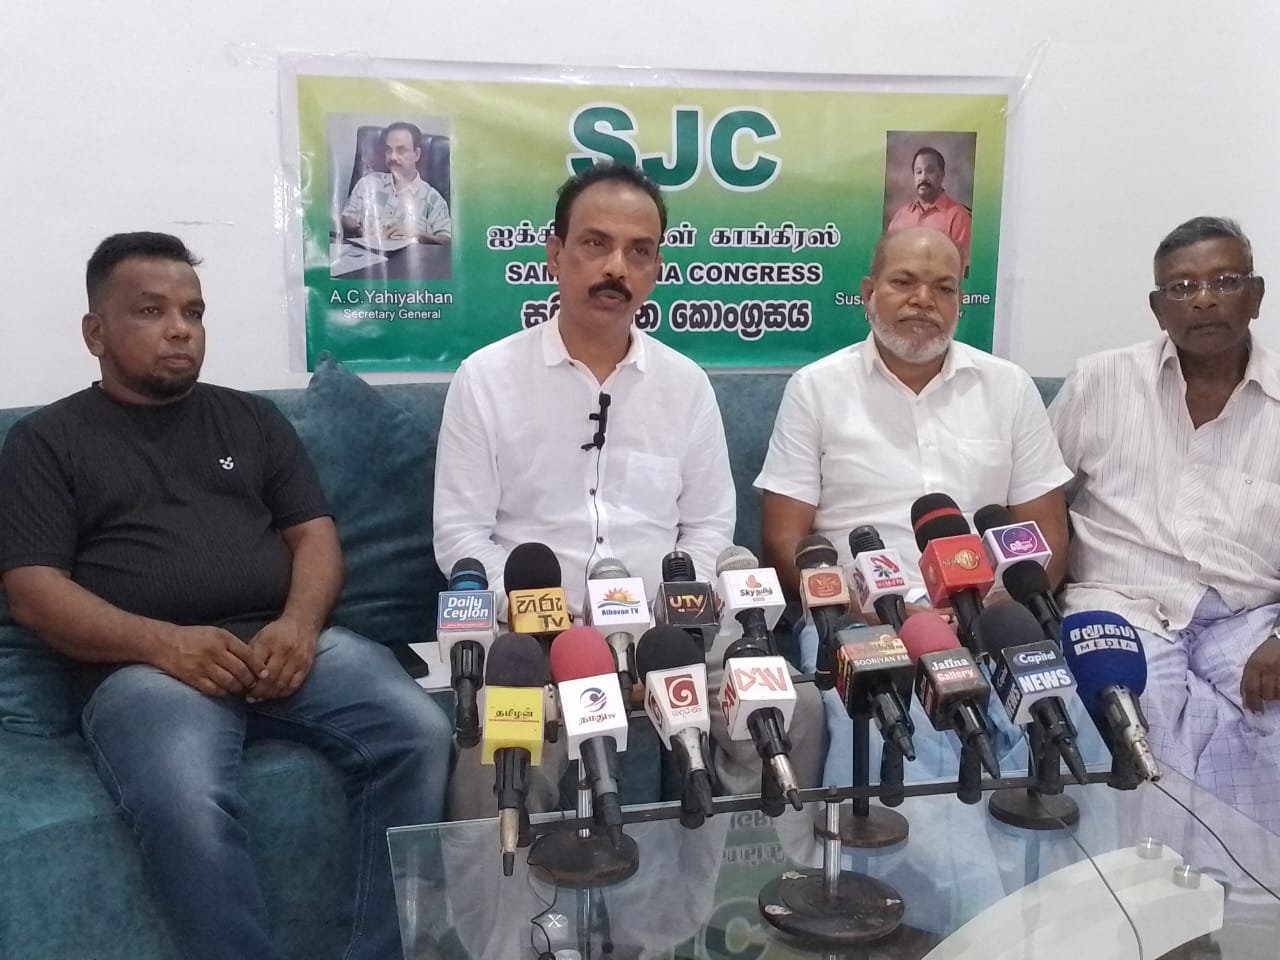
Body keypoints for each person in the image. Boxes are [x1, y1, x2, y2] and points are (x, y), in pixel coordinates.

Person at [0, 232, 452, 960]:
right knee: (186, 793)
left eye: (193, 311)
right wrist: (165, 644)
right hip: (143, 670)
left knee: (419, 732)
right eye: (151, 311)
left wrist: (299, 625)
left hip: (279, 646)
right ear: (95, 334)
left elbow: (315, 538)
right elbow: (33, 591)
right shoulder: (46, 442)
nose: (180, 329)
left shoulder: (252, 421)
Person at [433, 162, 825, 816]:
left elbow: (708, 529)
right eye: (596, 243)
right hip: (532, 632)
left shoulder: (685, 385)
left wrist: (664, 624)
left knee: (796, 708)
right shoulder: (486, 379)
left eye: (639, 252)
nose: (616, 267)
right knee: (494, 747)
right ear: (555, 253)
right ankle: (499, 887)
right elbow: (460, 536)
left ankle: (739, 881)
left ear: (656, 270)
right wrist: (553, 617)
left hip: (670, 629)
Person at [756, 226, 1075, 784]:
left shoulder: (1008, 388)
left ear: (960, 300)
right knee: (901, 751)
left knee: (1058, 738)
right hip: (861, 621)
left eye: (943, 288)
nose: (923, 300)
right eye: (903, 282)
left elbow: (1046, 531)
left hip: (993, 612)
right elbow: (784, 540)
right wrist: (886, 612)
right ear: (868, 292)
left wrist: (996, 605)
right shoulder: (816, 389)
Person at [1050, 215, 1280, 834]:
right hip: (1122, 602)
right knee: (1136, 712)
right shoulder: (1100, 381)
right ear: (1158, 309)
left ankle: (1251, 889)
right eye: (1182, 287)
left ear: (1256, 295)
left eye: (1225, 281)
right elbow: (1039, 502)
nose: (1203, 299)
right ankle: (1152, 879)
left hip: (1249, 617)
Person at [341, 121, 451, 245]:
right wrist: (361, 230)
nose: (393, 157)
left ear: (416, 154)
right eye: (389, 150)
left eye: (401, 150)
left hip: (411, 256)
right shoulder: (367, 184)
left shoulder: (433, 200)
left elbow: (446, 240)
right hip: (367, 254)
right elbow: (347, 218)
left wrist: (417, 234)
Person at [886, 146, 973, 270]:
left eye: (930, 171)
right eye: (918, 172)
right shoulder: (901, 215)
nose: (923, 178)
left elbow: (962, 268)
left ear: (941, 175)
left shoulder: (958, 216)